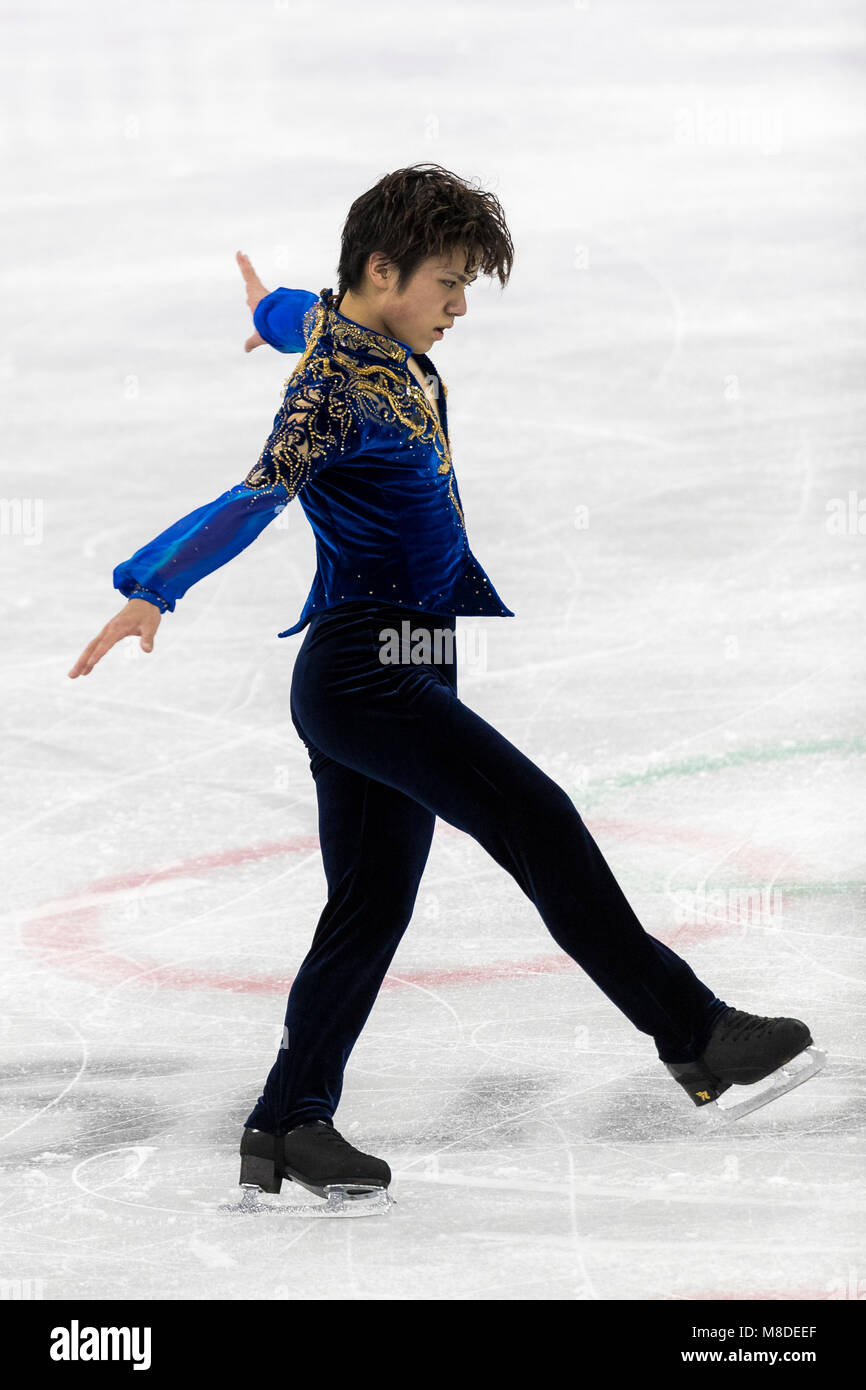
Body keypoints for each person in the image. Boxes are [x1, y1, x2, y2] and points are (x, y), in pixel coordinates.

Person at [69, 163, 822, 1212]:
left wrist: (266, 307)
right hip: (364, 673)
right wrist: (155, 586)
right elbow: (255, 493)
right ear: (383, 272)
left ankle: (288, 1120)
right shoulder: (332, 387)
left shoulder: (357, 329)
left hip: (399, 665)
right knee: (534, 820)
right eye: (448, 283)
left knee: (371, 905)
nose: (460, 306)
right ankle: (691, 1032)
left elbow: (308, 312)